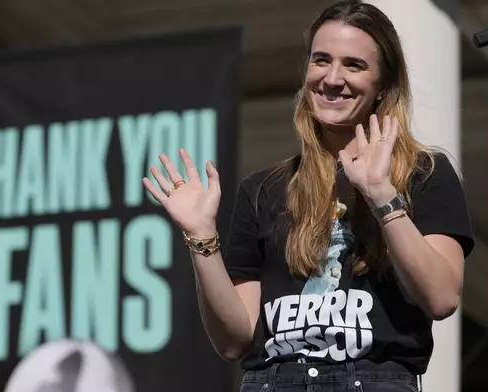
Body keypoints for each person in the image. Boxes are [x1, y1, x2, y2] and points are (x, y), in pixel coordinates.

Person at [141, 0, 475, 391]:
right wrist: (201, 238)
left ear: (383, 86)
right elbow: (234, 340)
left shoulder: (424, 173)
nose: (333, 79)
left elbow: (441, 297)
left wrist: (382, 194)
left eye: (354, 65)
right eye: (321, 60)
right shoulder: (262, 190)